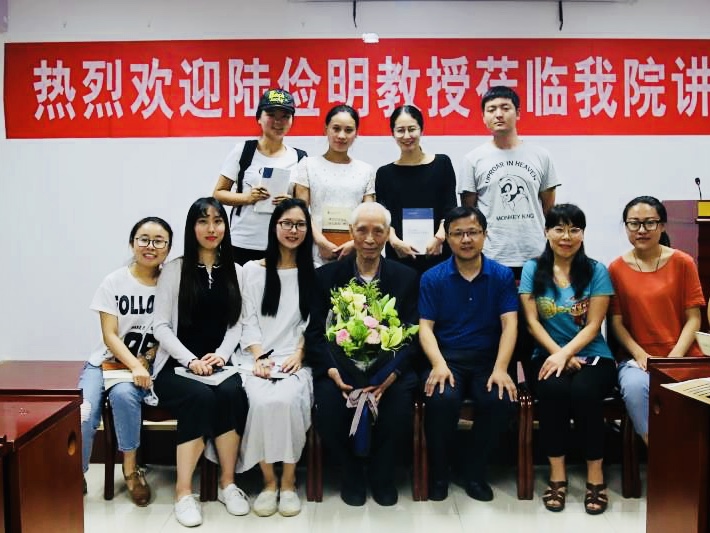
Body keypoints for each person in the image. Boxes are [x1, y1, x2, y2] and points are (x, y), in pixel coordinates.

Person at [304, 202, 419, 507]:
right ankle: (351, 473)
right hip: (339, 370)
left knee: (398, 408)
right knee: (329, 407)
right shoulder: (326, 276)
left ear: (387, 234)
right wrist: (333, 371)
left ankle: (382, 474)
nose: (369, 239)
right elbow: (315, 333)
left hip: (389, 371)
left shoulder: (406, 278)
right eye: (362, 230)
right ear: (351, 232)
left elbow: (412, 335)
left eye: (378, 231)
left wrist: (389, 376)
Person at [152, 197, 249, 527]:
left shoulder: (235, 271)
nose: (211, 228)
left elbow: (236, 324)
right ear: (192, 227)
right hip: (176, 366)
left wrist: (221, 354)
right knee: (199, 397)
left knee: (232, 393)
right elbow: (160, 326)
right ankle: (183, 493)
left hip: (219, 364)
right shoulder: (175, 269)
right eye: (203, 221)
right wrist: (191, 360)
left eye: (218, 221)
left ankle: (228, 484)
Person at [519, 204, 617, 515]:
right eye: (559, 229)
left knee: (585, 392)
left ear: (582, 234)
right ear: (546, 232)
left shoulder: (597, 271)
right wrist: (557, 354)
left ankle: (595, 477)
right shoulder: (533, 269)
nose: (566, 236)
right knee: (553, 391)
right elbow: (532, 322)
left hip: (594, 355)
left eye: (574, 229)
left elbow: (593, 325)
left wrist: (566, 353)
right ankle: (557, 476)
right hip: (546, 354)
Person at [418, 206, 518, 502]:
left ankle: (474, 471)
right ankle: (439, 473)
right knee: (441, 399)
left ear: (485, 235)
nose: (465, 239)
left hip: (488, 359)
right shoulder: (433, 277)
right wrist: (438, 364)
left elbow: (510, 324)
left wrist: (501, 368)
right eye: (458, 233)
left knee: (500, 400)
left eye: (472, 232)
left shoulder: (501, 275)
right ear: (447, 238)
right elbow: (425, 328)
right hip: (447, 358)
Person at [78, 216, 173, 505]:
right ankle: (75, 472)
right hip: (105, 362)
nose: (150, 246)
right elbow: (109, 335)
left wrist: (142, 364)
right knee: (85, 411)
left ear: (168, 248)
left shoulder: (171, 284)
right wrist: (133, 364)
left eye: (159, 241)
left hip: (145, 367)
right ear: (132, 243)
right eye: (144, 239)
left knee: (124, 396)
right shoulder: (114, 281)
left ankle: (131, 470)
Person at [234, 198, 316, 517]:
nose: (293, 230)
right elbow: (247, 319)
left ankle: (289, 481)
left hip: (296, 358)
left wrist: (299, 353)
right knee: (260, 402)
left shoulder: (314, 272)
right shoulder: (252, 271)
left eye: (300, 225)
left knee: (287, 400)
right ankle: (269, 482)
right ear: (274, 227)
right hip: (256, 357)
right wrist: (259, 356)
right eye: (287, 224)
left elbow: (314, 323)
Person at [609, 196, 705, 445]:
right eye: (634, 223)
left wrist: (674, 357)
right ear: (626, 227)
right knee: (634, 388)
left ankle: (692, 454)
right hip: (638, 359)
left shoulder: (683, 262)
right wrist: (640, 354)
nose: (642, 230)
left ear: (662, 226)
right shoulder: (616, 269)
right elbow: (616, 323)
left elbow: (694, 318)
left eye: (650, 223)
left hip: (683, 355)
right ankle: (660, 453)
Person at [459, 85, 561, 274]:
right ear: (483, 117)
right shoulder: (473, 159)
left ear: (518, 113)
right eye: (491, 109)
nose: (499, 114)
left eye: (505, 108)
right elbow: (469, 213)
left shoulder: (541, 156)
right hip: (491, 255)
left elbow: (549, 210)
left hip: (536, 254)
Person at [214, 88, 307, 265]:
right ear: (259, 117)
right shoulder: (244, 151)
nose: (278, 122)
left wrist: (290, 203)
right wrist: (248, 198)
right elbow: (218, 193)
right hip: (243, 241)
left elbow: (304, 204)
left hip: (284, 242)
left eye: (285, 116)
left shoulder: (299, 157)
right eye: (271, 115)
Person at [376, 104, 457, 276]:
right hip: (399, 255)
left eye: (412, 129)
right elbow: (383, 216)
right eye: (400, 130)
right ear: (393, 133)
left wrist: (439, 238)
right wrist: (394, 241)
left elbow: (450, 208)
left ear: (422, 130)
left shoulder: (442, 164)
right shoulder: (384, 174)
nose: (407, 136)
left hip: (438, 252)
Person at [293, 104, 375, 266]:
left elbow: (368, 216)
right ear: (326, 129)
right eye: (336, 129)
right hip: (315, 250)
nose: (342, 135)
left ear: (356, 133)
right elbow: (301, 211)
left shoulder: (366, 170)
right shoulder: (307, 165)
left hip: (354, 251)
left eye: (348, 130)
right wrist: (321, 242)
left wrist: (354, 243)